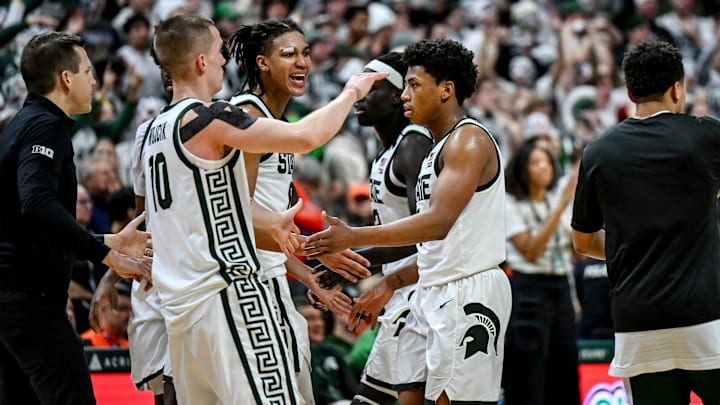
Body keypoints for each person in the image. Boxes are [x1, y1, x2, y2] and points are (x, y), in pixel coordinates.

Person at [144, 14, 385, 404]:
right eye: (219, 53)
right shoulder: (216, 118)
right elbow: (306, 137)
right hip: (230, 290)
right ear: (202, 61)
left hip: (183, 305)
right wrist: (352, 92)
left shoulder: (157, 130)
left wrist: (305, 257)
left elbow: (219, 211)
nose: (225, 60)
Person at [305, 38, 512, 405]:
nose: (405, 96)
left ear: (447, 90)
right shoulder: (435, 147)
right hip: (429, 288)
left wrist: (353, 237)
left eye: (413, 86)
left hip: (467, 287)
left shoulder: (468, 141)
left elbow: (436, 223)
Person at [0, 31, 152, 405]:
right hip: (28, 299)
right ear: (66, 79)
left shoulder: (21, 124)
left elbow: (26, 218)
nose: (95, 81)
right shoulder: (46, 126)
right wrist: (103, 252)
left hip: (11, 296)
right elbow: (35, 203)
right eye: (87, 71)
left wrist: (108, 241)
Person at [571, 40, 720, 405]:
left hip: (637, 324)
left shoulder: (598, 152)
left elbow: (582, 242)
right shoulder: (707, 136)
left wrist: (630, 242)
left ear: (630, 92)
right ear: (677, 88)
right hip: (705, 316)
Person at [227, 18, 366, 404]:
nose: (302, 62)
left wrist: (309, 276)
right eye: (288, 54)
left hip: (268, 276)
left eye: (305, 53)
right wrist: (314, 250)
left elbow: (272, 224)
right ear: (262, 63)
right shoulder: (248, 116)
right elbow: (236, 219)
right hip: (243, 282)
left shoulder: (275, 121)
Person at [319, 51, 434, 405]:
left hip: (421, 294)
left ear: (399, 95)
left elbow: (425, 235)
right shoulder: (384, 151)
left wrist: (351, 266)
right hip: (401, 291)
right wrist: (345, 269)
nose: (360, 96)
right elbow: (395, 238)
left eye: (370, 89)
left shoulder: (413, 144)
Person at [502, 139, 580, 405]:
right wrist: (559, 209)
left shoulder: (558, 199)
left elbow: (576, 252)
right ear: (522, 169)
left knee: (566, 365)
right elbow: (531, 251)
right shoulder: (511, 203)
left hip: (560, 288)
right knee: (528, 371)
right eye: (536, 162)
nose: (544, 167)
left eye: (547, 161)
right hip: (527, 290)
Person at [81, 280, 132, 347]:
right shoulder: (87, 342)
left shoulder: (130, 346)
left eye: (131, 310)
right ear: (102, 309)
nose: (129, 315)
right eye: (121, 308)